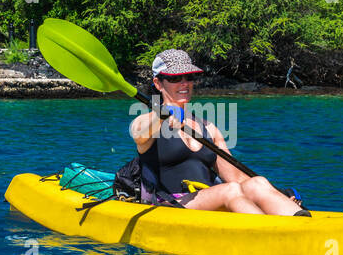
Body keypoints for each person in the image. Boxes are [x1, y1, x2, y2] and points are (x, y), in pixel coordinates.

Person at [129, 49, 309, 215]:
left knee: (257, 182)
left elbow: (235, 176)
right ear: (158, 83)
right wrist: (162, 115)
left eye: (189, 76)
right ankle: (272, 234)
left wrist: (274, 192)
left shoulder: (209, 127)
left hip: (211, 200)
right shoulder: (147, 120)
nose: (184, 83)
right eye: (175, 78)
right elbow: (139, 134)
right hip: (168, 205)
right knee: (230, 190)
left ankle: (301, 223)